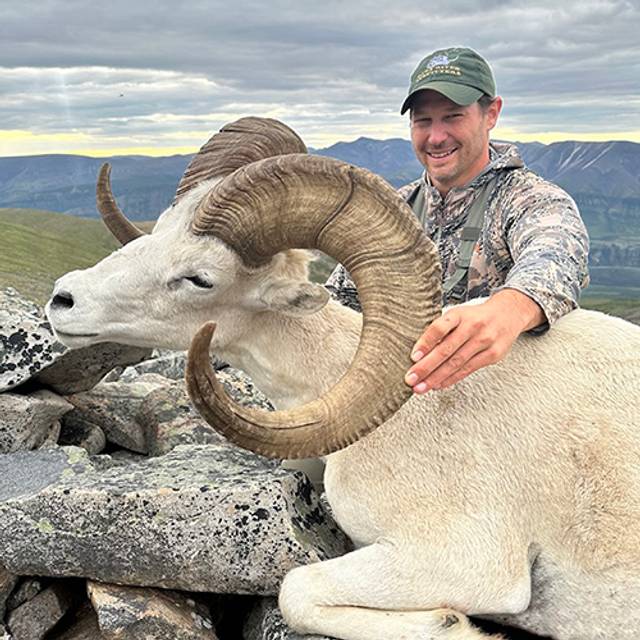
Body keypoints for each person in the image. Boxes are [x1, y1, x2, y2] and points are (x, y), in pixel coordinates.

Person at [326, 46, 589, 394]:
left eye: (453, 116)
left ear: (491, 113)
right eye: (423, 121)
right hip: (396, 408)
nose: (436, 137)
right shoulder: (389, 211)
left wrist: (510, 309)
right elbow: (335, 304)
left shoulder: (530, 199)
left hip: (506, 412)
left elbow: (557, 251)